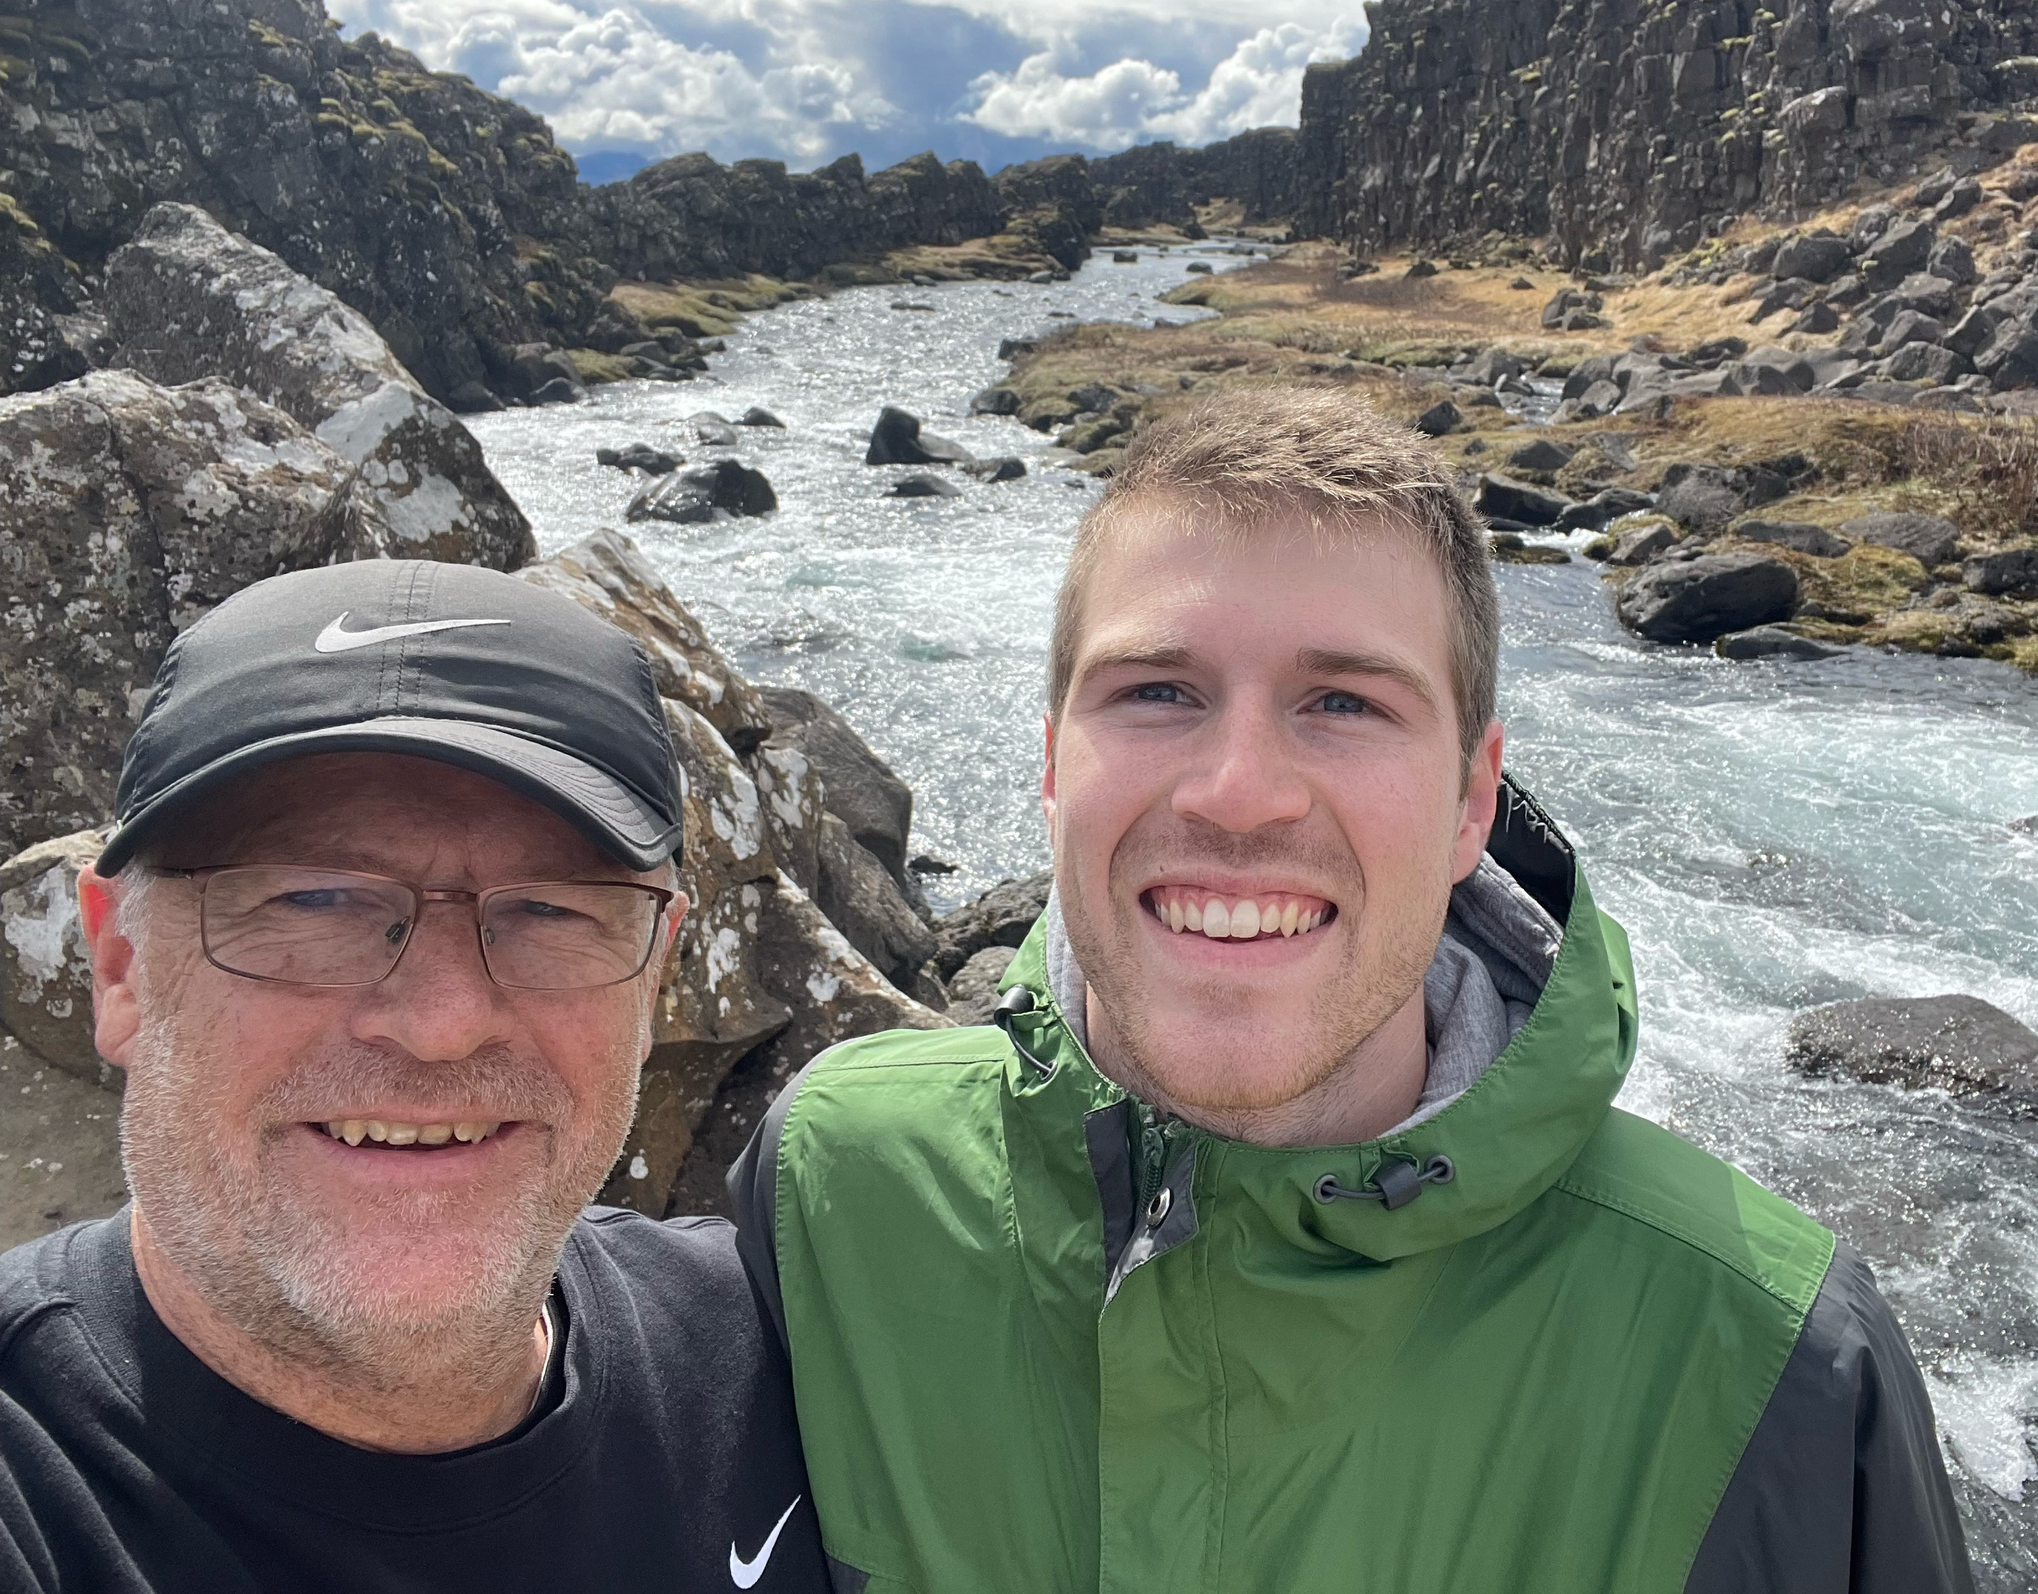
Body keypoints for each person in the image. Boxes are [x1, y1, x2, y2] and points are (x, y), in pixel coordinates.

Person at [732, 385, 1972, 1592]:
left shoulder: (1774, 1362)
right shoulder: (833, 1192)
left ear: (1473, 801)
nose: (1238, 790)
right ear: (1054, 762)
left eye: (1344, 702)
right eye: (1157, 690)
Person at [0, 560, 835, 1592]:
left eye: (550, 910)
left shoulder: (796, 1363)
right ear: (119, 966)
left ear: (655, 973)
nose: (442, 1024)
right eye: (312, 902)